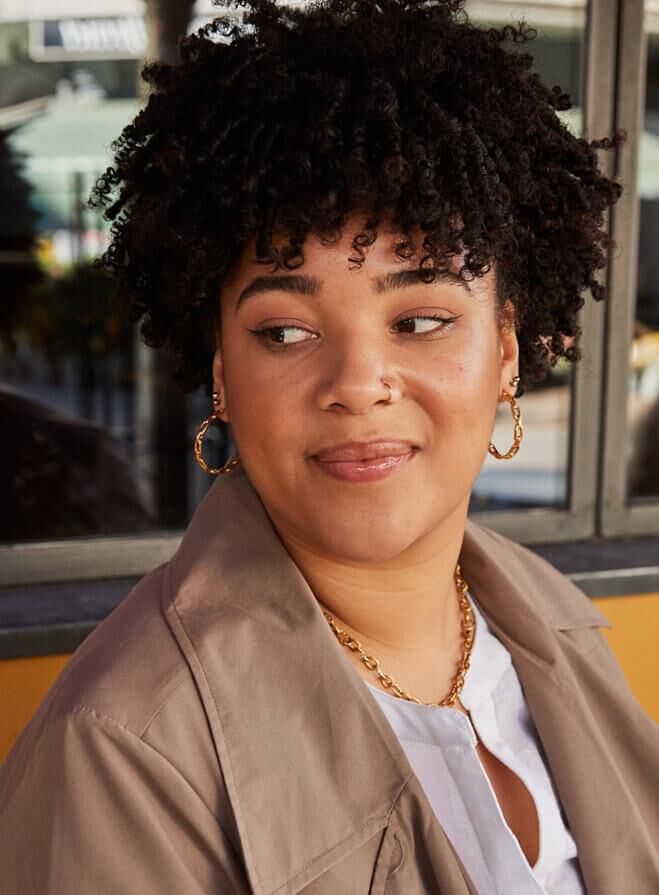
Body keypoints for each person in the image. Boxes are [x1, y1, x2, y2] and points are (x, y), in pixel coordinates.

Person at [1, 1, 657, 892]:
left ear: (505, 350)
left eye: (419, 319)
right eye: (284, 331)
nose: (356, 381)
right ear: (221, 374)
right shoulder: (124, 751)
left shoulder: (555, 623)